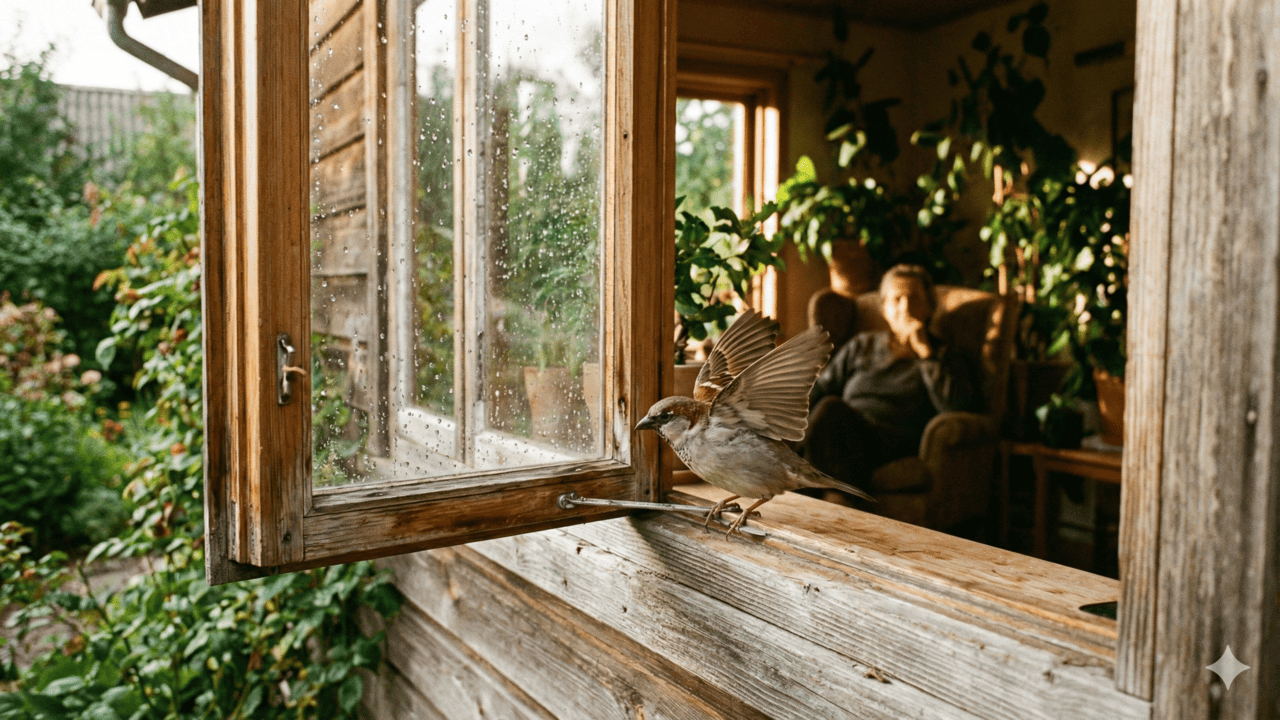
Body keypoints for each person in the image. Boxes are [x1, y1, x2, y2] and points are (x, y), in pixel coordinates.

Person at [802, 264, 980, 493]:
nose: (905, 308)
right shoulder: (862, 345)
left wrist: (925, 352)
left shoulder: (944, 355)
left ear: (929, 306)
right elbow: (821, 387)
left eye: (914, 298)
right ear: (884, 309)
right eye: (896, 299)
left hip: (890, 440)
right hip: (844, 430)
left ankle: (835, 499)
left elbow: (955, 406)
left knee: (829, 411)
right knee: (818, 417)